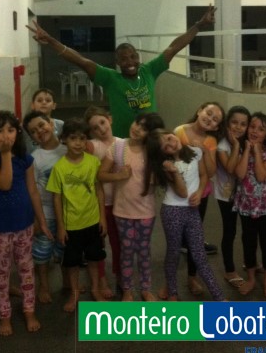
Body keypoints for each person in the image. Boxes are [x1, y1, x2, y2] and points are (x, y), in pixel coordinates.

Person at [27, 4, 217, 138]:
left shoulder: (150, 70)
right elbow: (81, 61)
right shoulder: (110, 78)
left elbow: (174, 47)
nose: (130, 62)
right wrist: (51, 41)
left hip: (150, 137)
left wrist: (199, 25)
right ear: (117, 62)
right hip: (123, 139)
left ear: (138, 57)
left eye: (133, 56)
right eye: (124, 59)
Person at [0, 111, 52, 336]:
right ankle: (5, 315)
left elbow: (33, 191)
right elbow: (4, 183)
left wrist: (41, 221)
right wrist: (5, 154)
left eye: (10, 130)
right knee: (2, 272)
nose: (5, 135)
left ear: (17, 133)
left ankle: (29, 310)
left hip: (23, 223)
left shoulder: (25, 159)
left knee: (26, 268)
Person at [146, 128, 225, 302]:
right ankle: (173, 293)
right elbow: (182, 193)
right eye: (165, 146)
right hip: (172, 211)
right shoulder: (167, 165)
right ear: (162, 153)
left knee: (199, 255)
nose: (171, 144)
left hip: (192, 211)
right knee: (173, 253)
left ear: (173, 133)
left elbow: (204, 175)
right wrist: (174, 172)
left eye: (169, 138)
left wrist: (200, 191)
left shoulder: (195, 152)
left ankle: (219, 297)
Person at [98, 112, 165, 301]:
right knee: (126, 251)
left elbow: (163, 177)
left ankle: (145, 288)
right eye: (137, 123)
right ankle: (127, 288)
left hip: (145, 211)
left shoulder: (152, 151)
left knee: (144, 251)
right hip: (122, 211)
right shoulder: (118, 147)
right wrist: (118, 176)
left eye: (144, 128)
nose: (137, 129)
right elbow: (101, 175)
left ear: (151, 134)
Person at [46, 118, 108, 312]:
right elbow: (57, 198)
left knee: (94, 259)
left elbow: (99, 190)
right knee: (72, 263)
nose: (78, 143)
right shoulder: (60, 168)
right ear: (64, 139)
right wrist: (61, 226)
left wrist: (103, 218)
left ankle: (95, 290)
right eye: (73, 138)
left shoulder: (93, 162)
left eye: (82, 138)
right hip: (71, 225)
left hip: (92, 221)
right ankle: (74, 294)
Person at [233, 112, 266, 298]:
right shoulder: (241, 149)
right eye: (252, 127)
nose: (255, 131)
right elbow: (240, 173)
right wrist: (247, 150)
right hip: (246, 204)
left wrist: (258, 151)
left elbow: (261, 176)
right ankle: (251, 278)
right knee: (248, 242)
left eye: (261, 129)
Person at [23, 111, 67, 304]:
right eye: (33, 131)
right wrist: (37, 218)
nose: (39, 131)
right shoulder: (35, 158)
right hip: (46, 213)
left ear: (51, 122)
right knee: (42, 252)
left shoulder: (69, 149)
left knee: (65, 250)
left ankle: (68, 283)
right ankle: (44, 285)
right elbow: (32, 191)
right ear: (31, 137)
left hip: (69, 212)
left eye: (41, 125)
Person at [83, 106, 119, 298]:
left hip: (120, 203)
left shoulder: (122, 143)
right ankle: (101, 279)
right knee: (98, 244)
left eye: (103, 123)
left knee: (118, 242)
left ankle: (120, 274)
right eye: (95, 128)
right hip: (98, 203)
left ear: (110, 120)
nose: (101, 129)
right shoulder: (92, 146)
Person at [214, 105, 251, 289]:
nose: (238, 127)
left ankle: (249, 263)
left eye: (243, 124)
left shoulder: (247, 142)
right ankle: (229, 271)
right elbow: (230, 168)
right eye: (234, 122)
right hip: (226, 196)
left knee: (248, 231)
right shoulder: (222, 145)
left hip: (244, 195)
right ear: (227, 123)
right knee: (230, 232)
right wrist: (236, 145)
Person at [23, 88, 65, 152]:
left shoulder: (61, 124)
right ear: (32, 105)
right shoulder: (25, 127)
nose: (44, 102)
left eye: (48, 100)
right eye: (39, 100)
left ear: (54, 105)